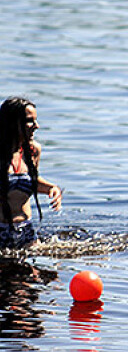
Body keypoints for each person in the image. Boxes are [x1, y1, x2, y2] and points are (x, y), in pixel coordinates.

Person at [0, 97, 62, 249]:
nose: (36, 126)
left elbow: (30, 180)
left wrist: (51, 188)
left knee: (40, 273)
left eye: (35, 120)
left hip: (26, 231)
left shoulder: (33, 151)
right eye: (30, 121)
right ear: (12, 123)